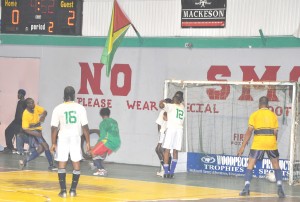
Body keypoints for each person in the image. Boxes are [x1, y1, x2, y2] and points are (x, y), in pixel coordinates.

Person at [237, 96, 285, 198]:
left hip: (258, 142)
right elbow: (275, 132)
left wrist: (242, 147)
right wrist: (272, 143)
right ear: (268, 105)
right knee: (276, 164)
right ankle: (280, 189)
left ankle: (246, 188)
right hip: (271, 142)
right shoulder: (273, 115)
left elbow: (249, 132)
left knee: (251, 163)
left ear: (259, 105)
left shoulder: (254, 114)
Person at [50, 86, 91, 198]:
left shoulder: (58, 108)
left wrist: (53, 143)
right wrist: (87, 142)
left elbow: (54, 128)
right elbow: (85, 127)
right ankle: (73, 190)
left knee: (61, 163)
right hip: (75, 137)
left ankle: (63, 191)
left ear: (64, 95)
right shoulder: (80, 108)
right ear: (74, 95)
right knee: (76, 162)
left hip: (63, 137)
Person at [19, 98, 57, 171]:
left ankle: (24, 161)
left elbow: (45, 111)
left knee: (40, 149)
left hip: (38, 131)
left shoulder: (35, 107)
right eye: (31, 103)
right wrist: (36, 134)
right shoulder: (25, 114)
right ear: (27, 105)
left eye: (33, 102)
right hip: (32, 132)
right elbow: (25, 129)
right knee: (46, 146)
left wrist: (43, 116)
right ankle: (51, 165)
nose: (33, 104)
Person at [159, 92, 185, 178]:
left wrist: (161, 102)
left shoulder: (170, 106)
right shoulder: (182, 106)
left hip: (172, 129)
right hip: (179, 130)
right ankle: (172, 172)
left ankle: (166, 172)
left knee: (167, 150)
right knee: (175, 151)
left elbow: (161, 106)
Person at [90, 107, 121, 176]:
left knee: (93, 152)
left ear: (101, 115)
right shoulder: (114, 121)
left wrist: (95, 146)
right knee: (102, 154)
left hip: (108, 141)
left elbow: (102, 137)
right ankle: (95, 164)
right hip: (116, 142)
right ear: (109, 114)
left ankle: (101, 169)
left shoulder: (103, 123)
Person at [155, 98, 172, 177]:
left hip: (165, 133)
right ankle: (166, 169)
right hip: (164, 133)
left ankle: (166, 170)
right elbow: (159, 123)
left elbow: (159, 124)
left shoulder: (165, 112)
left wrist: (161, 134)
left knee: (162, 150)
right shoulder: (167, 112)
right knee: (160, 150)